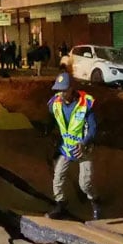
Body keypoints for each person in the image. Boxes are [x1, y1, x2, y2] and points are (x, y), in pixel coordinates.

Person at [46, 64, 100, 220]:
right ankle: (61, 204)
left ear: (71, 88)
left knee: (85, 183)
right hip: (66, 148)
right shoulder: (55, 104)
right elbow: (52, 120)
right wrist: (49, 134)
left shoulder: (85, 104)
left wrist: (84, 143)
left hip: (83, 148)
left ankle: (95, 201)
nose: (61, 93)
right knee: (58, 178)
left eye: (64, 90)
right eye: (58, 90)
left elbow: (93, 129)